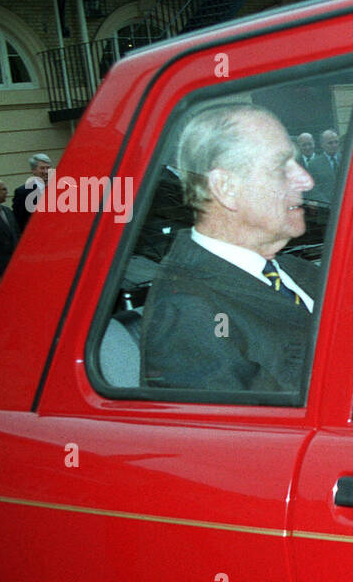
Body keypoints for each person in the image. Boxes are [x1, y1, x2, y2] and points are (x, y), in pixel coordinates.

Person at [140, 104, 320, 393]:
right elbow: (252, 435)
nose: (306, 180)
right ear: (225, 187)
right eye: (280, 167)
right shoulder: (186, 314)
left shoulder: (299, 271)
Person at [12, 153, 51, 235]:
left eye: (48, 168)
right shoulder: (23, 192)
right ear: (33, 171)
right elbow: (18, 221)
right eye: (42, 168)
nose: (46, 171)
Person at [306, 128, 342, 204]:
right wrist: (326, 204)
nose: (334, 145)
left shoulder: (346, 160)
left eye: (336, 142)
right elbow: (313, 189)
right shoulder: (314, 164)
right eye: (330, 143)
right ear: (322, 145)